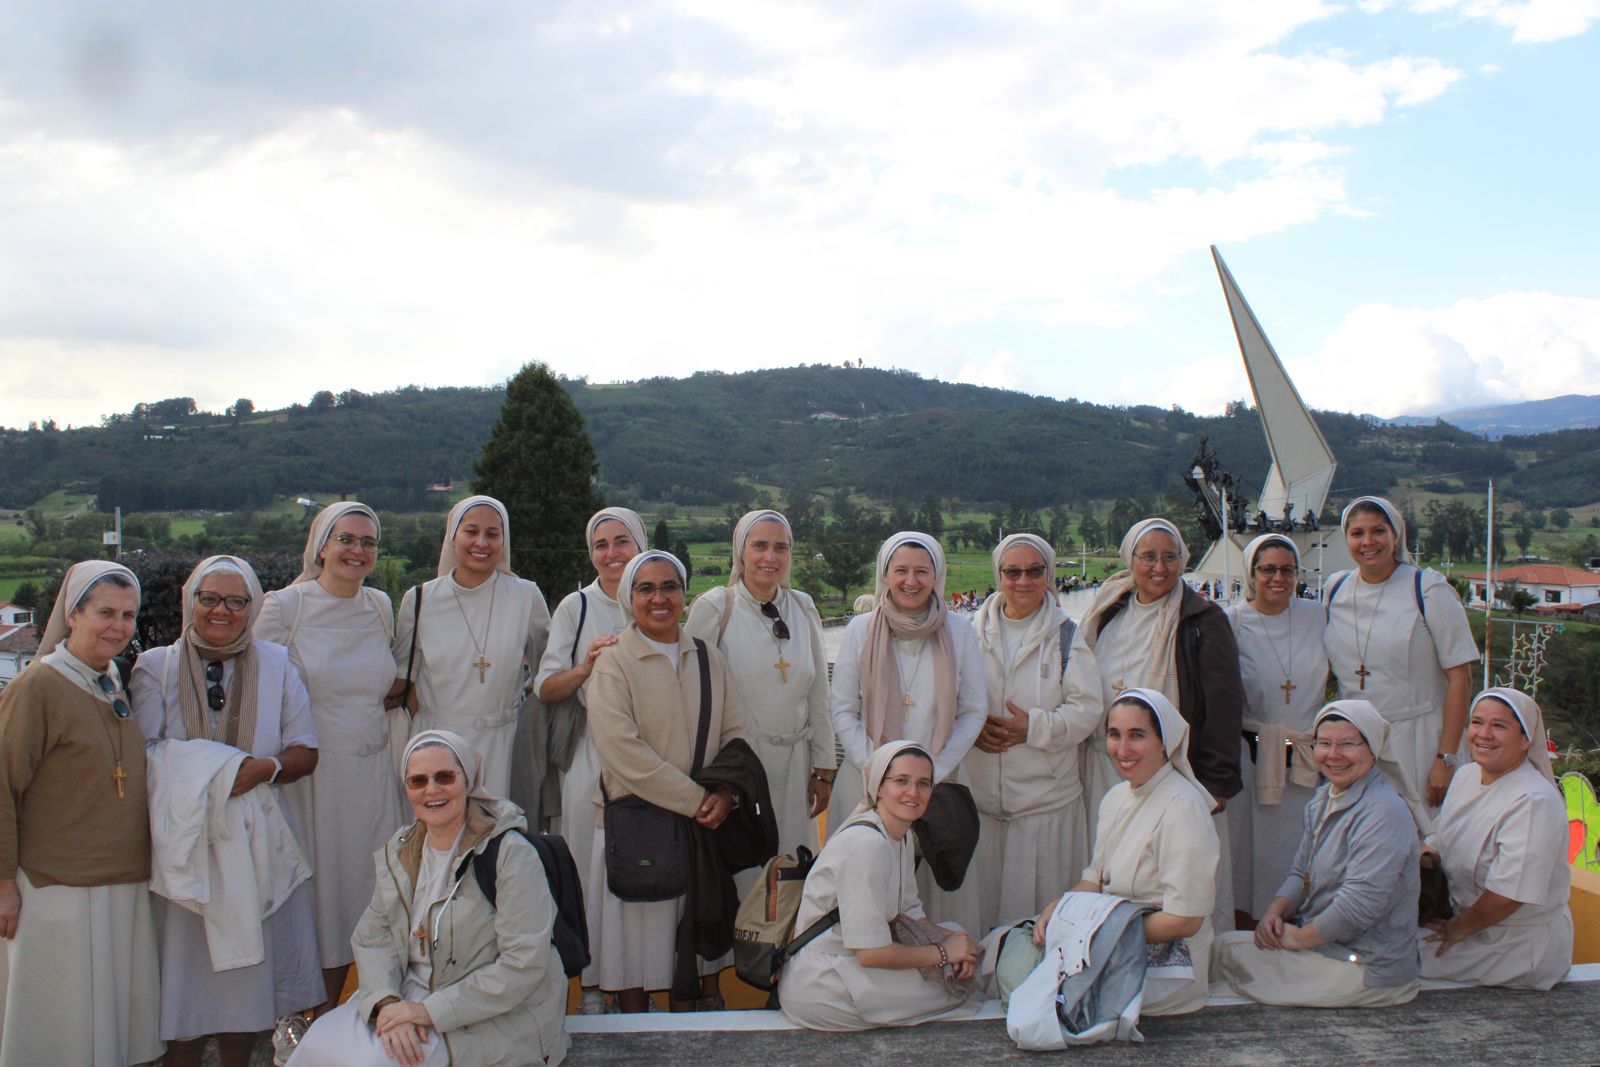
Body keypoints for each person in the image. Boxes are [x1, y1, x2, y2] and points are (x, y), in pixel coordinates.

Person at [131, 555, 323, 1067]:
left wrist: (262, 769)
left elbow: (305, 751)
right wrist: (213, 776)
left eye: (236, 601)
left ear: (253, 607)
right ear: (189, 601)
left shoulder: (278, 664)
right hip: (183, 842)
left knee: (245, 985)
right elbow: (145, 753)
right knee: (184, 977)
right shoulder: (157, 666)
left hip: (251, 837)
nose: (222, 610)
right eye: (209, 598)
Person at [287, 729, 569, 1067]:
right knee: (315, 1046)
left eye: (444, 777)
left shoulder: (509, 855)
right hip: (405, 996)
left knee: (378, 1063)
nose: (432, 790)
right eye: (418, 781)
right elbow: (373, 938)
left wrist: (426, 1013)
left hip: (483, 1012)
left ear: (468, 780)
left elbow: (522, 965)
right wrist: (387, 1004)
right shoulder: (402, 850)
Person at [0, 561, 163, 1067]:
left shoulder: (112, 679)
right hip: (55, 889)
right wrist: (3, 883)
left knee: (107, 1033)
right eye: (105, 613)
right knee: (58, 1034)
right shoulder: (38, 687)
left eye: (128, 615)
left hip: (121, 883)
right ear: (73, 616)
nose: (118, 626)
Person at [257, 501, 408, 1012]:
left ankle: (355, 1009)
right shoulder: (286, 607)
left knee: (368, 896)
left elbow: (384, 685)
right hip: (315, 780)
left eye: (368, 542)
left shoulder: (379, 606)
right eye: (346, 539)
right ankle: (308, 1012)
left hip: (373, 774)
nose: (357, 550)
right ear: (321, 545)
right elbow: (260, 692)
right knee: (321, 899)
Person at [584, 551, 748, 1012]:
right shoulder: (614, 661)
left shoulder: (707, 656)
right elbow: (622, 751)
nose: (659, 598)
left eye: (670, 587)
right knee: (637, 936)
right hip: (637, 820)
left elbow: (736, 730)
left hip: (700, 816)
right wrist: (696, 799)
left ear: (684, 594)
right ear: (628, 597)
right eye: (646, 588)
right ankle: (635, 1020)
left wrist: (724, 792)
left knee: (691, 922)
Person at [1081, 517, 1243, 934]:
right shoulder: (1108, 609)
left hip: (1174, 769)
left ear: (1183, 560)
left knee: (1172, 865)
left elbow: (1223, 706)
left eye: (1170, 557)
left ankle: (1172, 945)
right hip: (1107, 762)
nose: (1159, 567)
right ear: (1129, 559)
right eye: (1148, 557)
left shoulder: (1202, 621)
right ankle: (1106, 940)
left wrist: (1218, 780)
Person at [1214, 700, 1431, 1008]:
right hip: (1323, 948)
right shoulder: (1323, 799)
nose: (1333, 755)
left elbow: (1359, 905)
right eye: (1324, 743)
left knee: (1230, 966)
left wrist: (1297, 940)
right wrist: (1274, 913)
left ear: (1373, 750)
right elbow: (1300, 873)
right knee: (1224, 947)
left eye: (1347, 744)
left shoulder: (1384, 811)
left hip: (1367, 967)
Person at [1037, 689, 1219, 1016]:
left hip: (1169, 968)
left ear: (1164, 741)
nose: (1122, 749)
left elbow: (1186, 919)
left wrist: (1096, 936)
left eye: (1137, 736)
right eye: (1114, 735)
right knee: (1019, 951)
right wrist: (1058, 909)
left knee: (1040, 988)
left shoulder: (1183, 806)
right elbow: (1095, 880)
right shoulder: (1116, 798)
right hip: (1109, 942)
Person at [778, 740, 981, 1031]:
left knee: (959, 960)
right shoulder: (867, 845)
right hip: (824, 984)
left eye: (923, 784)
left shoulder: (901, 836)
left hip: (850, 967)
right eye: (902, 781)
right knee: (961, 993)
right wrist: (945, 953)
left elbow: (911, 914)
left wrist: (962, 945)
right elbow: (871, 953)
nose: (913, 793)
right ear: (878, 787)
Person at [531, 505, 644, 1014]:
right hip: (588, 758)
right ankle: (593, 987)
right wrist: (586, 666)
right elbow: (546, 687)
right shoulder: (575, 607)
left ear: (640, 546)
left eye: (622, 542)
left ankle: (633, 979)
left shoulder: (655, 595)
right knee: (585, 871)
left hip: (644, 757)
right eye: (601, 544)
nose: (611, 553)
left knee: (634, 870)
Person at [962, 533, 1102, 938]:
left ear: (1049, 575)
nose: (1023, 581)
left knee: (1040, 925)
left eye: (1034, 571)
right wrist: (972, 732)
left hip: (1045, 805)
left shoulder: (1067, 637)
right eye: (1012, 572)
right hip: (984, 808)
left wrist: (1033, 728)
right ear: (998, 575)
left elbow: (1087, 709)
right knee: (985, 923)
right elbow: (950, 700)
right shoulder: (969, 634)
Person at [685, 510, 836, 875]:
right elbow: (692, 696)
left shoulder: (802, 606)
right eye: (760, 546)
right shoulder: (716, 608)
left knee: (792, 866)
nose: (771, 557)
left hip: (796, 763)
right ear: (741, 551)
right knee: (745, 871)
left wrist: (824, 767)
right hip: (741, 770)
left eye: (780, 548)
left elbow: (818, 692)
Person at [1324, 496, 1478, 809]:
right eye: (1357, 534)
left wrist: (1444, 758)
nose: (1368, 542)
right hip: (1358, 743)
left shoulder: (1429, 590)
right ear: (1346, 539)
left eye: (1378, 531)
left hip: (1420, 740)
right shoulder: (1336, 590)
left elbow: (1461, 678)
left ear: (1396, 535)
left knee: (1426, 843)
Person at [392, 495, 551, 796]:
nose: (481, 542)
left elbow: (550, 670)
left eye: (492, 534)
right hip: (436, 746)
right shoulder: (420, 599)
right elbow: (403, 678)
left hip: (503, 744)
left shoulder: (525, 596)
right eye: (471, 531)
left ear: (504, 540)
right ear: (453, 537)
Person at [1420, 688, 1572, 990]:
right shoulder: (1465, 775)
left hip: (1513, 946)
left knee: (1393, 965)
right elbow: (1438, 839)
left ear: (1526, 738)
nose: (1483, 734)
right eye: (1476, 723)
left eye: (1499, 726)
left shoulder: (1533, 800)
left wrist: (1456, 930)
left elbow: (1507, 896)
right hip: (1466, 925)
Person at [1225, 534, 1328, 921]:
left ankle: (1297, 917)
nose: (1278, 578)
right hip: (1253, 754)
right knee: (1252, 847)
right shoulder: (1233, 621)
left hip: (1305, 754)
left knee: (1300, 842)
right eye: (1267, 569)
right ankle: (1250, 921)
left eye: (1287, 569)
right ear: (1251, 573)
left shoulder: (1316, 615)